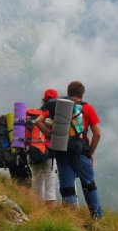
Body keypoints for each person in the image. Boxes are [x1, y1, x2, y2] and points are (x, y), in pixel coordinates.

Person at [35, 81, 102, 218]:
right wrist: (91, 152)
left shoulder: (56, 106)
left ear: (68, 91)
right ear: (82, 94)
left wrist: (50, 135)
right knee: (89, 185)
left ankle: (70, 220)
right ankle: (96, 217)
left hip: (61, 151)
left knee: (67, 188)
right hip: (81, 152)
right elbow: (97, 133)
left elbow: (38, 121)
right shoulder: (87, 108)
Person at [30, 89, 59, 206]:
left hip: (35, 154)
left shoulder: (35, 114)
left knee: (37, 187)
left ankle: (37, 214)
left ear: (43, 100)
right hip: (50, 155)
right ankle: (50, 218)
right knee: (50, 190)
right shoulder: (54, 115)